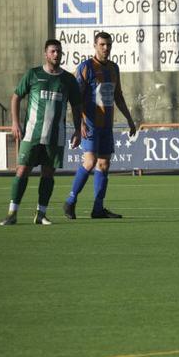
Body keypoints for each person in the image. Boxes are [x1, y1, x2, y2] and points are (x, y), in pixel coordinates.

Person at [0, 39, 82, 226]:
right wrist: (15, 122)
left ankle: (41, 214)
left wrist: (78, 129)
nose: (56, 54)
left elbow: (77, 106)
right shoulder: (33, 74)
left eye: (59, 51)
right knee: (22, 170)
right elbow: (16, 97)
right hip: (32, 134)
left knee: (48, 174)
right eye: (53, 51)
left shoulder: (68, 79)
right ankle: (12, 213)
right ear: (45, 53)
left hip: (55, 136)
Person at [63, 31, 137, 219]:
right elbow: (75, 98)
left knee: (104, 164)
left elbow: (117, 96)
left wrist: (129, 119)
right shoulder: (86, 67)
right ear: (95, 45)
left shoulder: (114, 68)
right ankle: (70, 201)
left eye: (109, 45)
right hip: (90, 124)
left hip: (106, 125)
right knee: (90, 162)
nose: (106, 48)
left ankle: (98, 208)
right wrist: (78, 124)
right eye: (102, 44)